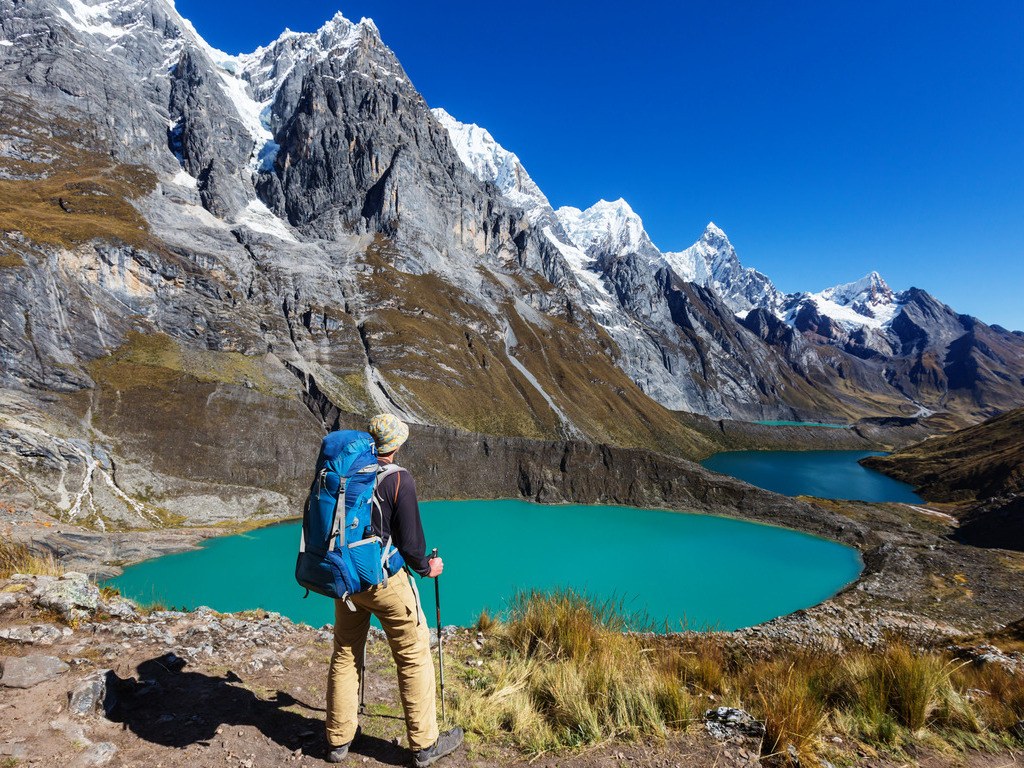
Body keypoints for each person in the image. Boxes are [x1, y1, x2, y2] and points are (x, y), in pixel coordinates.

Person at [325, 413, 464, 767]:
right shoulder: (399, 479)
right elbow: (412, 544)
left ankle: (339, 741)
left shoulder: (345, 473)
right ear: (396, 445)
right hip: (384, 582)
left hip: (346, 580)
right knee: (413, 655)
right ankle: (424, 745)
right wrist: (427, 568)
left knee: (345, 652)